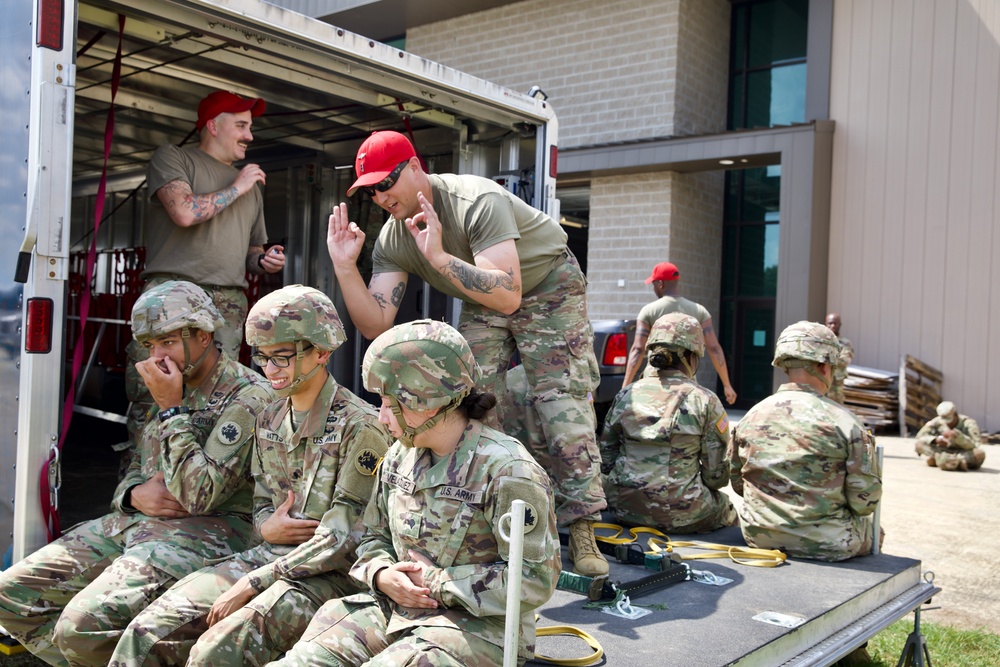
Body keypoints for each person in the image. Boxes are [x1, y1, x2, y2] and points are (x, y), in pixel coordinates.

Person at [326, 130, 607, 575]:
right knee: (469, 398)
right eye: (370, 190)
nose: (380, 196)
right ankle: (487, 512)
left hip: (548, 284)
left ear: (415, 167)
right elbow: (376, 321)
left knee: (560, 400)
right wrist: (344, 266)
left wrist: (438, 258)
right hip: (482, 294)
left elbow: (510, 294)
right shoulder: (394, 237)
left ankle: (584, 523)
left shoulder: (476, 200)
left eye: (386, 182)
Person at [108, 285, 392, 667]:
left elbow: (345, 539)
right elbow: (261, 503)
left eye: (283, 358)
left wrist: (256, 580)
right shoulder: (270, 418)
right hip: (267, 557)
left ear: (322, 352)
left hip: (326, 574)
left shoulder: (363, 428)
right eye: (262, 357)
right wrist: (265, 529)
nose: (270, 370)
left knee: (214, 652)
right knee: (146, 633)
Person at [0, 281, 272, 667]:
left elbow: (200, 496)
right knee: (10, 596)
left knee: (78, 628)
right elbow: (137, 463)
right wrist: (131, 495)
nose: (157, 356)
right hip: (136, 523)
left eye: (167, 341)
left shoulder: (248, 396)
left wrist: (171, 409)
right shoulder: (168, 385)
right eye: (150, 346)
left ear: (203, 335)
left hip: (209, 532)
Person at [271, 319, 561, 667]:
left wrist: (437, 583)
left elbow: (534, 579)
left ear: (427, 400)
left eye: (389, 404)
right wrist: (380, 573)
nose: (381, 418)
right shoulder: (399, 454)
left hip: (479, 629)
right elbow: (372, 535)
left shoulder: (509, 471)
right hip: (394, 609)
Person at [123, 90, 286, 468]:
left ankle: (199, 488)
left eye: (250, 127)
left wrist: (265, 260)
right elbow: (183, 212)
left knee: (216, 399)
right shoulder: (174, 158)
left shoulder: (251, 185)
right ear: (213, 125)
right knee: (153, 396)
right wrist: (239, 186)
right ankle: (139, 489)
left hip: (226, 304)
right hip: (171, 300)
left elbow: (250, 253)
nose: (249, 135)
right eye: (241, 125)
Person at [729, 321, 882, 561]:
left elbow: (738, 484)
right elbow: (865, 502)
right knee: (875, 529)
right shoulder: (845, 422)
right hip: (830, 544)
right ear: (823, 366)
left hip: (759, 537)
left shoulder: (752, 416)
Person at [600, 313, 736, 533]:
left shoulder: (626, 394)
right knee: (726, 506)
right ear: (692, 356)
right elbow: (715, 477)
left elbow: (606, 460)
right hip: (683, 512)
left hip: (623, 507)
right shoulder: (705, 400)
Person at [622, 261, 737, 405]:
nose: (653, 288)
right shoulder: (699, 311)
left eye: (653, 284)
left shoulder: (649, 311)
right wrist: (727, 385)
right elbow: (714, 348)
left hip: (654, 381)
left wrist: (625, 386)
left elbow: (638, 349)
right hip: (686, 383)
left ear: (660, 284)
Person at [914, 401, 986, 471]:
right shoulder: (937, 421)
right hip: (942, 451)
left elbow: (976, 444)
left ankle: (944, 461)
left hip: (962, 452)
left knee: (979, 454)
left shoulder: (969, 423)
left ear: (955, 414)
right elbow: (920, 436)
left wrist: (958, 437)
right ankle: (952, 462)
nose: (948, 424)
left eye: (949, 420)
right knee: (919, 445)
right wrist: (935, 440)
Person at [824, 312, 855, 405]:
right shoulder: (820, 342)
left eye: (835, 323)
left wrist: (824, 358)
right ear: (825, 323)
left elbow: (845, 360)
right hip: (820, 384)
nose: (832, 326)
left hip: (835, 387)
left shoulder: (845, 343)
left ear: (840, 324)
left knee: (836, 413)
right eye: (830, 323)